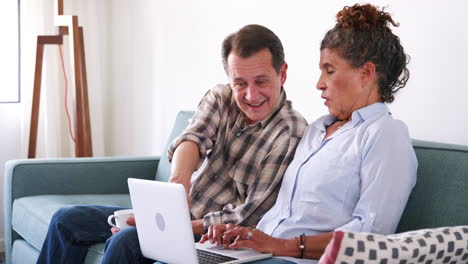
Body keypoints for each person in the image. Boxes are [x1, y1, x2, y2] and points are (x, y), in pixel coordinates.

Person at [36, 24, 308, 264]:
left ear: (282, 74)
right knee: (66, 220)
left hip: (214, 232)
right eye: (240, 83)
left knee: (125, 241)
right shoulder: (222, 97)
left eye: (261, 82)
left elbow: (249, 215)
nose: (250, 95)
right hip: (177, 216)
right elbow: (192, 140)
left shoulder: (290, 132)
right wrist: (179, 181)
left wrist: (175, 226)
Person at [200, 4, 418, 263]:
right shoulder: (317, 130)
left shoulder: (385, 134)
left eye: (330, 70)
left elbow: (372, 235)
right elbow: (288, 216)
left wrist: (283, 246)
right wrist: (246, 235)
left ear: (365, 73)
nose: (319, 83)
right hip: (261, 254)